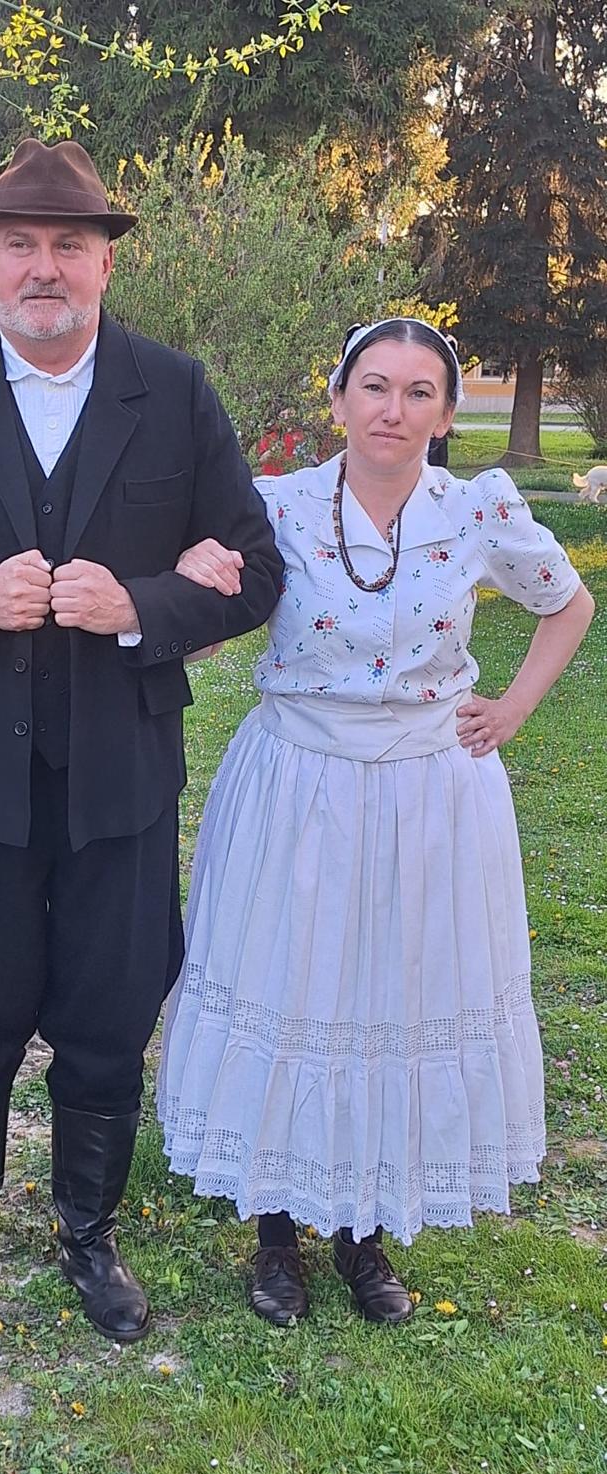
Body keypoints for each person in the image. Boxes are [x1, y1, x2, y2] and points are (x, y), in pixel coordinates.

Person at [0, 139, 284, 1353]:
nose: (44, 268)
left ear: (106, 261)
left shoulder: (172, 391)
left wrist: (142, 605)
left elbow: (257, 571)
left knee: (110, 1017)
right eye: (18, 243)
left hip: (119, 777)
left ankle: (88, 1236)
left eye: (70, 245)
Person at [159, 317, 594, 1326]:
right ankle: (276, 1232)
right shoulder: (274, 507)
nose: (392, 409)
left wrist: (513, 708)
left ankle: (365, 1231)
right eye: (374, 386)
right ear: (339, 399)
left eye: (417, 392)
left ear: (445, 414)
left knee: (394, 993)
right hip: (296, 783)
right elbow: (205, 621)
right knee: (290, 980)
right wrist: (187, 586)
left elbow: (568, 605)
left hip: (428, 791)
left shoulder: (478, 509)